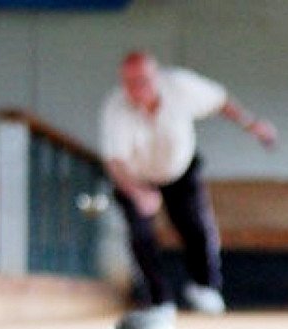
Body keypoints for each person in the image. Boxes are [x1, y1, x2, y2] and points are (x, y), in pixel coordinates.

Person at [100, 50, 276, 314]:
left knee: (196, 227)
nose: (137, 89)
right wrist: (138, 193)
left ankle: (205, 287)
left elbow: (220, 101)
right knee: (140, 235)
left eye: (143, 81)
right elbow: (115, 162)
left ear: (157, 77)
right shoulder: (114, 108)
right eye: (130, 83)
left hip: (180, 170)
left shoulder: (181, 86)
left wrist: (251, 125)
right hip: (135, 178)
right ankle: (159, 299)